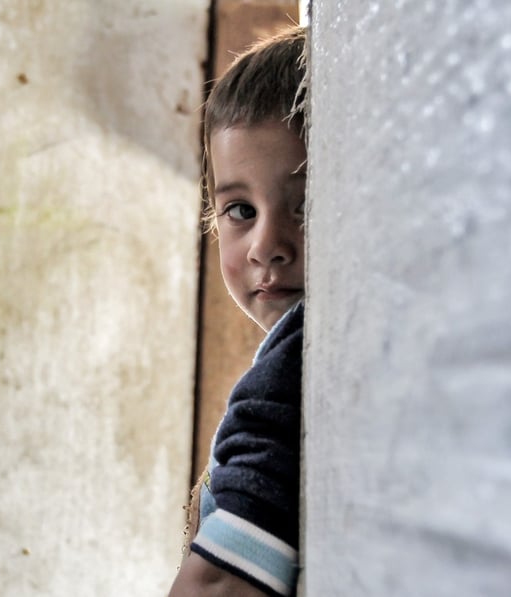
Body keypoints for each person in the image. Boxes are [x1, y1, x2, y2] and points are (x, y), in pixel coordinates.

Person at [169, 26, 307, 597]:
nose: (266, 244)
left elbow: (221, 584)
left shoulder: (298, 355)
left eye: (308, 203)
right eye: (241, 209)